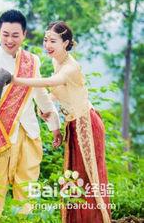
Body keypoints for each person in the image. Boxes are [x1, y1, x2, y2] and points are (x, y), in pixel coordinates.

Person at [12, 21, 111, 223]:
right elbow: (58, 90)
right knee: (74, 176)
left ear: (65, 43)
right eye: (46, 40)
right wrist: (47, 105)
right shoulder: (57, 61)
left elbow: (52, 82)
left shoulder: (71, 67)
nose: (47, 44)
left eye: (53, 41)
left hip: (87, 124)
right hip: (73, 123)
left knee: (88, 176)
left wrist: (17, 80)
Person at [0, 9, 62, 223]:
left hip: (29, 133)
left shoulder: (32, 61)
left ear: (24, 35)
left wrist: (54, 125)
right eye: (5, 34)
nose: (9, 40)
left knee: (27, 194)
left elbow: (40, 93)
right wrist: (9, 81)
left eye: (15, 35)